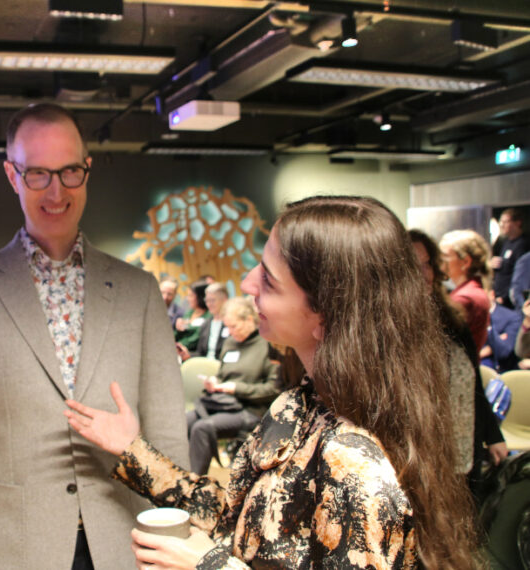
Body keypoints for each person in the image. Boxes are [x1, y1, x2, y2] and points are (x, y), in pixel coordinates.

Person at [66, 196, 477, 569]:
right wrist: (131, 450)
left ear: (325, 315)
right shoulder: (298, 406)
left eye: (268, 279)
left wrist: (209, 565)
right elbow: (238, 517)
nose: (246, 285)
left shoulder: (354, 463)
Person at [0, 103, 189, 570]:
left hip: (124, 542)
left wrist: (177, 542)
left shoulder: (138, 290)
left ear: (86, 171)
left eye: (69, 172)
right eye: (37, 175)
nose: (56, 191)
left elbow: (168, 432)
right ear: (11, 175)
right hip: (13, 545)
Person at [409, 229, 507, 490]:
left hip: (463, 447)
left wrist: (493, 436)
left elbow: (472, 382)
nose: (425, 273)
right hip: (418, 461)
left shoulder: (451, 319)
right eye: (413, 266)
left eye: (428, 263)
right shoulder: (388, 329)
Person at [186, 296, 280, 475]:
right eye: (227, 327)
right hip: (223, 402)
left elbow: (274, 388)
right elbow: (222, 374)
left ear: (250, 320)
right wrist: (215, 382)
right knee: (185, 421)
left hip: (251, 409)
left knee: (202, 428)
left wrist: (237, 388)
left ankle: (194, 482)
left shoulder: (268, 345)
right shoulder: (230, 343)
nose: (230, 332)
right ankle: (179, 474)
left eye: (234, 326)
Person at [440, 229, 492, 354]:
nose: (440, 262)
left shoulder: (464, 298)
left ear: (465, 262)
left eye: (446, 256)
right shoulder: (471, 291)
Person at [178, 282, 229, 361]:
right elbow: (200, 353)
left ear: (224, 300)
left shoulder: (231, 323)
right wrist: (188, 355)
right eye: (207, 300)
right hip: (205, 366)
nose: (209, 304)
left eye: (212, 300)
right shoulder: (206, 324)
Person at [492, 208, 526, 308]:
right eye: (500, 221)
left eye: (505, 221)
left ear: (518, 223)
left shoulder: (523, 244)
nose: (501, 225)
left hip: (510, 301)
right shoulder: (505, 242)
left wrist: (504, 296)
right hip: (499, 297)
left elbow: (519, 276)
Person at [174, 279, 210, 354]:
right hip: (179, 349)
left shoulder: (209, 315)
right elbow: (179, 333)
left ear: (201, 297)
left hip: (194, 353)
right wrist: (178, 328)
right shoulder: (189, 313)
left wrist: (179, 346)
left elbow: (197, 338)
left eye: (191, 296)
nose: (188, 299)